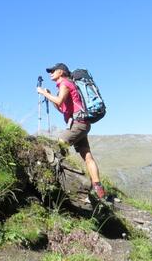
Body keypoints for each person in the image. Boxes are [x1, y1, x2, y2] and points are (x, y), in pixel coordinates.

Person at [36, 63, 107, 199]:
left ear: (61, 72)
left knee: (59, 144)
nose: (51, 73)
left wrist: (43, 93)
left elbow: (59, 100)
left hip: (77, 125)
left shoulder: (64, 83)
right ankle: (98, 189)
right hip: (82, 124)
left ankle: (60, 178)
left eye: (53, 70)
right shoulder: (67, 84)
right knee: (87, 156)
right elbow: (62, 108)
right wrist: (50, 96)